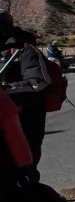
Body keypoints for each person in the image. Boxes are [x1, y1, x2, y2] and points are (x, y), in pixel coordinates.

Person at [0, 9, 50, 167]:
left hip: (25, 126)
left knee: (22, 175)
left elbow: (38, 83)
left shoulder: (25, 50)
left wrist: (5, 90)